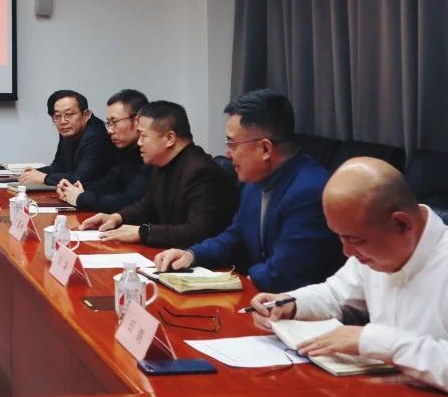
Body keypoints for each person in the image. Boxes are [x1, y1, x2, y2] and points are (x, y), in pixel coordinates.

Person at [250, 158, 448, 396]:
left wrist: (379, 341)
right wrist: (291, 303)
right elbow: (336, 293)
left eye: (355, 240)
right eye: (340, 238)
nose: (347, 252)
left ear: (401, 223)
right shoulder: (375, 250)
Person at [152, 89, 342, 291]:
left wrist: (233, 281)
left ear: (265, 149)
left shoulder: (311, 192)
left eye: (232, 144)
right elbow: (234, 236)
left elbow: (282, 274)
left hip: (297, 303)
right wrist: (192, 255)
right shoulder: (253, 182)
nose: (228, 153)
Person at [80, 101, 237, 248]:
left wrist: (143, 232)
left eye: (143, 135)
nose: (139, 142)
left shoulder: (201, 171)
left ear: (169, 138)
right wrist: (116, 217)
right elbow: (148, 205)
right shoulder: (162, 163)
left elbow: (198, 232)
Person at [56, 88, 150, 212]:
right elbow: (111, 183)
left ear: (138, 121)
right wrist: (76, 188)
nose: (109, 130)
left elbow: (130, 200)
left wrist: (81, 198)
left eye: (115, 122)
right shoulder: (125, 150)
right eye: (108, 123)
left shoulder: (151, 154)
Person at [17, 89, 117, 188]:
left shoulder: (96, 135)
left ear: (86, 115)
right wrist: (34, 173)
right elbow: (59, 166)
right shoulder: (69, 129)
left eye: (69, 114)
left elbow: (81, 179)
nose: (63, 121)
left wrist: (44, 178)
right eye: (57, 116)